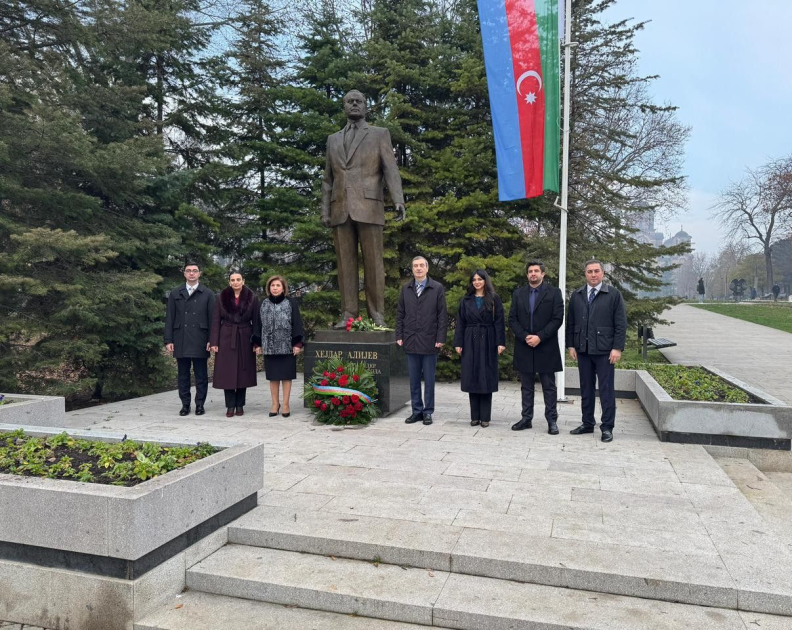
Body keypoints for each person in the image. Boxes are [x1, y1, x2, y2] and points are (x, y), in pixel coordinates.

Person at [321, 89, 405, 328]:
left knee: (374, 264)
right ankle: (348, 313)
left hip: (369, 207)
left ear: (366, 107)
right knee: (345, 265)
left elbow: (390, 168)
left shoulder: (379, 134)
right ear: (344, 107)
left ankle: (376, 315)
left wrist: (397, 199)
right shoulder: (333, 139)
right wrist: (325, 211)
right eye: (350, 101)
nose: (355, 104)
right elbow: (328, 179)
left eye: (359, 101)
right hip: (340, 209)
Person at [565, 259, 627, 443]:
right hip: (583, 350)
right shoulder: (577, 295)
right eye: (590, 271)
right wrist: (571, 345)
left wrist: (617, 347)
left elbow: (621, 324)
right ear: (585, 274)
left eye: (596, 271)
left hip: (604, 351)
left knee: (606, 390)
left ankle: (607, 427)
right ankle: (587, 423)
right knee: (586, 388)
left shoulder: (613, 295)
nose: (593, 274)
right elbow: (571, 323)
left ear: (603, 274)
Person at [509, 261, 564, 435]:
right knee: (526, 386)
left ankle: (551, 420)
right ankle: (526, 419)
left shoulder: (554, 293)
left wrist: (540, 336)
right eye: (530, 271)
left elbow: (557, 319)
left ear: (543, 274)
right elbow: (512, 319)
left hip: (545, 345)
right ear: (527, 275)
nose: (533, 274)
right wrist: (525, 336)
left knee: (549, 386)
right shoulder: (518, 294)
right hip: (524, 345)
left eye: (536, 271)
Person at [396, 256, 447, 426]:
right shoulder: (406, 289)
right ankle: (416, 411)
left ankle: (428, 412)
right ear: (412, 269)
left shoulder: (437, 288)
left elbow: (442, 315)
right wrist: (399, 335)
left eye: (421, 266)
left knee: (429, 380)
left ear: (427, 268)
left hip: (430, 341)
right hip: (410, 340)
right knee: (413, 379)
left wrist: (440, 338)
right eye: (415, 266)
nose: (418, 268)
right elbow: (400, 314)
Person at [453, 270, 506, 428]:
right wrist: (458, 343)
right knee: (472, 376)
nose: (477, 282)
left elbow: (499, 322)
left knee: (486, 376)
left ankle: (485, 417)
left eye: (480, 279)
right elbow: (460, 322)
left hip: (488, 339)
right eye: (474, 279)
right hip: (470, 340)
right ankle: (474, 416)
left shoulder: (494, 299)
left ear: (485, 281)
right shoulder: (466, 300)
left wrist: (500, 342)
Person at [164, 262, 215, 416]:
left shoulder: (207, 293)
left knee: (201, 375)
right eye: (189, 271)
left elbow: (212, 318)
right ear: (184, 274)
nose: (192, 273)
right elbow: (170, 317)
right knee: (183, 375)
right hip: (181, 338)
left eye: (195, 271)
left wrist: (211, 340)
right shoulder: (175, 293)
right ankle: (185, 405)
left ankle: (200, 404)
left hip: (200, 337)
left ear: (199, 273)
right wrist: (168, 340)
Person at [209, 271, 261, 418]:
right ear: (229, 282)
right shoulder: (220, 297)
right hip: (226, 336)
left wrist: (257, 342)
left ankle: (240, 404)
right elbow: (215, 320)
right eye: (233, 280)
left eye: (238, 279)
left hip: (245, 336)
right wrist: (214, 342)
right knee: (227, 372)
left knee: (243, 372)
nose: (236, 282)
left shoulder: (253, 297)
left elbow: (256, 321)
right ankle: (230, 405)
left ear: (243, 281)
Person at [260, 275, 304, 418]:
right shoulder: (263, 303)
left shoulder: (290, 302)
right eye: (272, 285)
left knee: (286, 376)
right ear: (269, 288)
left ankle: (285, 404)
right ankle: (274, 404)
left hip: (287, 346)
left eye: (278, 285)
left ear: (283, 288)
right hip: (269, 346)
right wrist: (257, 343)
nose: (275, 288)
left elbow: (297, 323)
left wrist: (298, 343)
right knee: (273, 377)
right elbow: (257, 324)